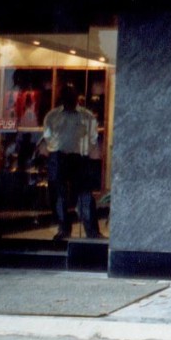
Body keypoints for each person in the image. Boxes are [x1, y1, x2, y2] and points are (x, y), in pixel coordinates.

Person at [41, 84, 102, 240]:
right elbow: (47, 135)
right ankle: (63, 228)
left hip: (79, 157)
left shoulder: (87, 116)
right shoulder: (53, 116)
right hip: (59, 156)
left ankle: (91, 230)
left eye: (71, 96)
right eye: (66, 96)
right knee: (59, 195)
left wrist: (85, 150)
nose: (69, 99)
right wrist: (56, 147)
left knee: (84, 195)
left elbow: (93, 137)